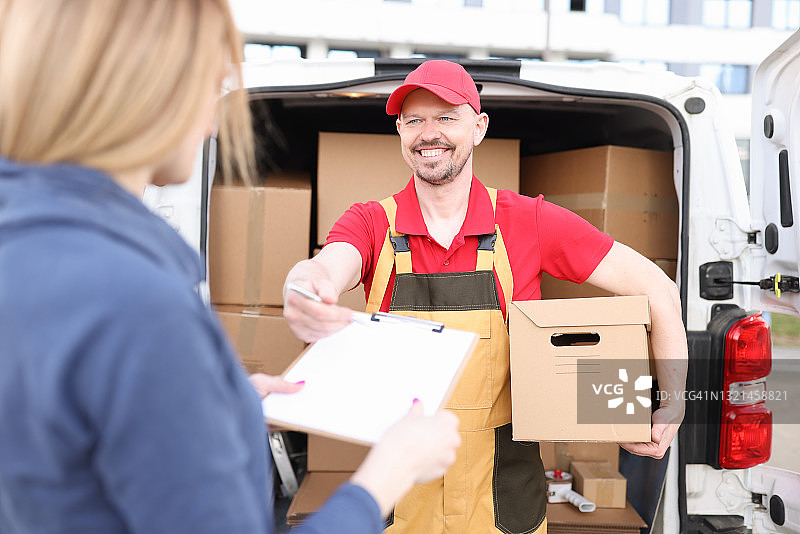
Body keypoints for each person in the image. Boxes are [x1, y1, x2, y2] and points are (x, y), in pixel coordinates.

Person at [0, 2, 461, 533]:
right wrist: (388, 473)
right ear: (145, 88)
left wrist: (219, 402)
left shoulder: (34, 247)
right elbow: (328, 264)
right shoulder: (140, 303)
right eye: (210, 83)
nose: (213, 116)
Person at [283, 59, 689, 533]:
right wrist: (306, 286)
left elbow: (657, 288)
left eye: (445, 117)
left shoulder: (529, 221)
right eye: (413, 120)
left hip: (503, 500)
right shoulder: (371, 223)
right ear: (399, 131)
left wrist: (672, 400)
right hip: (404, 498)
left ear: (479, 127)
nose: (428, 132)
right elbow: (329, 265)